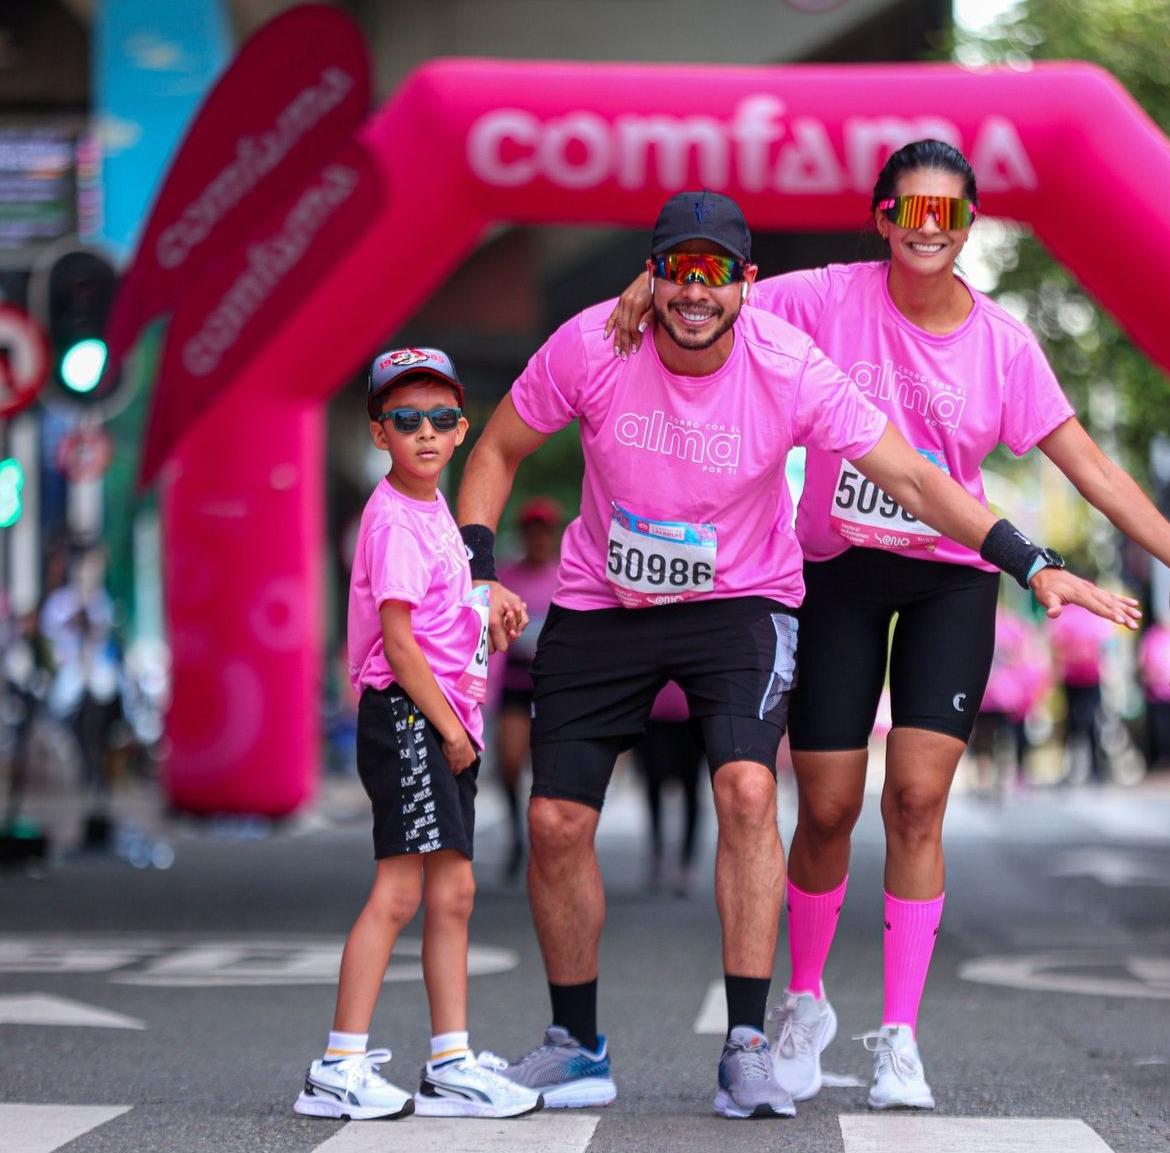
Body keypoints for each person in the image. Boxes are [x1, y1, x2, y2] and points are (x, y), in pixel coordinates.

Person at [457, 188, 1135, 1119]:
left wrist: (1030, 560)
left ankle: (745, 1043)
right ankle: (575, 1045)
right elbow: (495, 447)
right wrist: (480, 565)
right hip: (603, 599)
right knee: (555, 824)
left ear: (748, 285)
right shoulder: (592, 343)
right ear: (650, 278)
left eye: (715, 273)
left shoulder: (791, 364)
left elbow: (913, 476)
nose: (695, 293)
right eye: (676, 271)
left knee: (744, 787)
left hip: (740, 601)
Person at [293, 346, 541, 1122]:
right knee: (401, 891)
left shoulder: (433, 509)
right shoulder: (394, 518)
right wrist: (452, 731)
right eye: (405, 419)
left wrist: (488, 598)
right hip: (410, 716)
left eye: (439, 418)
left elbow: (441, 608)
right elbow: (397, 646)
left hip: (440, 718)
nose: (425, 432)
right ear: (379, 434)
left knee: (454, 892)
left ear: (462, 429)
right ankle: (338, 1065)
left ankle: (451, 1060)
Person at [490, 496, 563, 880]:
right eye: (531, 532)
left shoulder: (565, 575)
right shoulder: (507, 576)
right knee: (509, 762)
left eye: (544, 532)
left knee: (544, 769)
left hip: (551, 685)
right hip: (515, 681)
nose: (538, 539)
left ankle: (541, 839)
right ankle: (516, 834)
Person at [631, 680, 706, 896]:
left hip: (690, 713)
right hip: (653, 713)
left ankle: (686, 860)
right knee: (653, 785)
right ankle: (657, 854)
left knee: (691, 790)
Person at [1050, 601, 1116, 784]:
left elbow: (1055, 645)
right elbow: (1106, 646)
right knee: (1089, 723)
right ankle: (1093, 769)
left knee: (1076, 724)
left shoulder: (1064, 615)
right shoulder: (1093, 615)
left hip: (1077, 677)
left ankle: (1081, 769)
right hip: (1087, 677)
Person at [1137, 619, 1170, 769]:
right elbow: (1142, 661)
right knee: (1160, 728)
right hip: (1157, 691)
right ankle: (1161, 759)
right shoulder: (1151, 636)